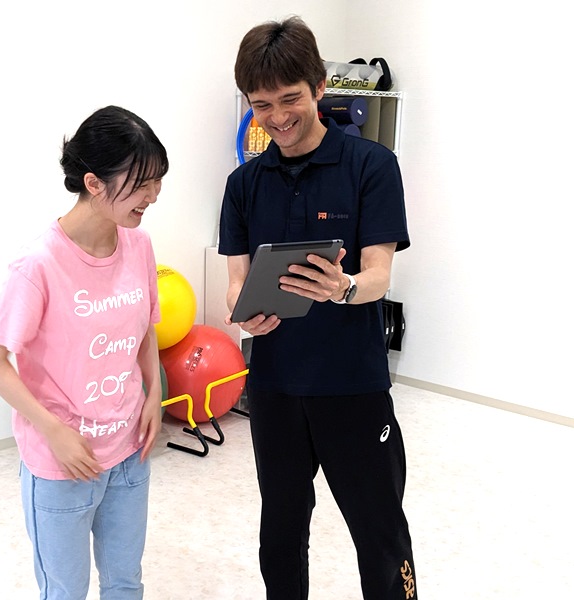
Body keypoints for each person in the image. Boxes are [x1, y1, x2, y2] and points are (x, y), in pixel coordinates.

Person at [220, 17, 418, 600]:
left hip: (352, 384)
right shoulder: (243, 184)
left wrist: (343, 288)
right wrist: (242, 312)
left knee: (379, 531)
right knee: (281, 530)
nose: (277, 118)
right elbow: (235, 282)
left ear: (319, 87)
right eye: (261, 105)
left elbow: (378, 276)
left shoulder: (371, 165)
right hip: (274, 388)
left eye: (290, 99)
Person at [0, 105, 168, 600]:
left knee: (125, 583)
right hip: (64, 463)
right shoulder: (38, 264)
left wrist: (154, 393)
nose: (153, 196)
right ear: (94, 183)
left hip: (129, 452)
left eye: (158, 181)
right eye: (142, 183)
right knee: (65, 592)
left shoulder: (139, 245)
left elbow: (145, 327)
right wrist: (53, 430)